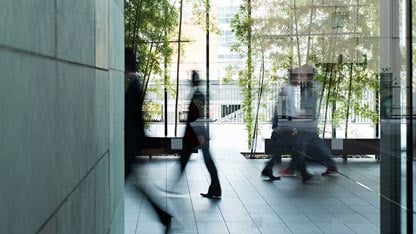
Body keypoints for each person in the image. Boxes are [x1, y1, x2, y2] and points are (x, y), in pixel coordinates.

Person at [262, 65, 338, 182]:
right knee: (297, 147)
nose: (300, 79)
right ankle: (301, 172)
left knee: (296, 147)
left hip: (289, 124)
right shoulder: (287, 89)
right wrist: (280, 123)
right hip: (286, 124)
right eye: (299, 77)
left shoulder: (294, 89)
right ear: (294, 78)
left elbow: (287, 108)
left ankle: (292, 170)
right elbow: (281, 107)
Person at [124, 47, 172, 233]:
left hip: (130, 144)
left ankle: (164, 216)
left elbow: (135, 117)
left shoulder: (134, 85)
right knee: (137, 186)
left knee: (134, 186)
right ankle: (164, 216)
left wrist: (138, 143)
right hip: (131, 143)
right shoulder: (134, 84)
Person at [178, 70, 222, 199]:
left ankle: (216, 189)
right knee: (202, 160)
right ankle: (215, 189)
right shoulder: (199, 94)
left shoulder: (198, 95)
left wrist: (199, 135)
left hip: (198, 134)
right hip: (197, 133)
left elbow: (199, 116)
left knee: (206, 160)